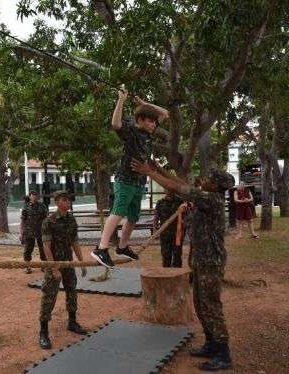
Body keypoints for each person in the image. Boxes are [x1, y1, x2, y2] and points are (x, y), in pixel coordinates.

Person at [131, 160, 235, 371]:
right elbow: (180, 182)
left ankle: (223, 354)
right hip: (200, 260)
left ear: (216, 186)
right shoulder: (205, 195)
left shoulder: (210, 199)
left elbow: (177, 187)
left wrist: (149, 173)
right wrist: (159, 168)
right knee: (199, 303)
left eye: (208, 179)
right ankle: (211, 343)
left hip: (210, 262)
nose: (203, 180)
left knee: (211, 306)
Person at [91, 86, 169, 268]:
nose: (154, 125)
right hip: (125, 179)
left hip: (139, 181)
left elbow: (164, 113)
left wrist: (144, 104)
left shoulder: (149, 134)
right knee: (118, 212)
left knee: (133, 217)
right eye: (150, 121)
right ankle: (101, 249)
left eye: (154, 122)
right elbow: (115, 124)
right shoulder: (132, 131)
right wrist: (121, 100)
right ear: (140, 120)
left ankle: (123, 246)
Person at [39, 191, 87, 349]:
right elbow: (46, 247)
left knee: (72, 293)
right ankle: (43, 333)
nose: (69, 203)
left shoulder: (71, 219)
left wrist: (81, 262)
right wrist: (54, 269)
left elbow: (75, 242)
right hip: (54, 264)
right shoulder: (49, 221)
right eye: (65, 200)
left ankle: (72, 322)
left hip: (68, 264)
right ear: (57, 201)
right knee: (49, 297)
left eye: (69, 200)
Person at [20, 191, 48, 274]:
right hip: (29, 231)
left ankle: (44, 265)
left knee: (43, 249)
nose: (35, 197)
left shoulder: (42, 206)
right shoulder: (26, 207)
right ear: (30, 197)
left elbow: (46, 219)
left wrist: (48, 230)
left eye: (36, 196)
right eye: (33, 196)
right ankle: (27, 266)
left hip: (41, 230)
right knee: (28, 249)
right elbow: (22, 220)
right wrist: (21, 232)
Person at [155, 189, 184, 267]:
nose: (168, 191)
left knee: (177, 255)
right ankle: (166, 274)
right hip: (165, 234)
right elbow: (156, 217)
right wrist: (155, 229)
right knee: (165, 255)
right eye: (166, 189)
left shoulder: (181, 201)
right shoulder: (160, 202)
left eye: (170, 189)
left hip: (177, 234)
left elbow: (186, 215)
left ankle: (177, 274)